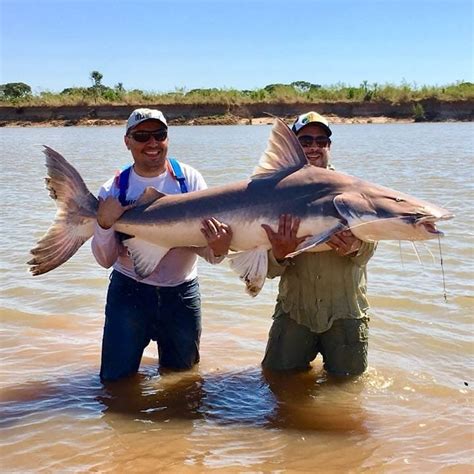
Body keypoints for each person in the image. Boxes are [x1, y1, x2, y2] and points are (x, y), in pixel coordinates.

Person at [92, 108, 232, 381]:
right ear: (127, 141)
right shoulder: (113, 190)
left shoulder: (189, 180)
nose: (152, 143)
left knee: (183, 383)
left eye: (160, 134)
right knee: (114, 381)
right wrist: (105, 225)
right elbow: (104, 260)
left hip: (181, 295)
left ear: (168, 137)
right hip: (128, 294)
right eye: (142, 136)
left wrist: (220, 247)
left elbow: (213, 257)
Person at [261, 111, 376, 376]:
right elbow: (268, 270)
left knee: (348, 394)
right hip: (294, 312)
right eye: (305, 141)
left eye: (321, 141)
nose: (314, 147)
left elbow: (371, 245)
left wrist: (356, 246)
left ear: (329, 146)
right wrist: (279, 254)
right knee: (276, 380)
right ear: (294, 145)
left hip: (346, 312)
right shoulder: (274, 193)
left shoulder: (352, 190)